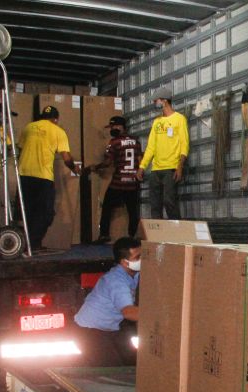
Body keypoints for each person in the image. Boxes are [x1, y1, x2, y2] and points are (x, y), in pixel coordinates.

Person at [17, 105, 79, 251]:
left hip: (24, 174)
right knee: (46, 213)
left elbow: (20, 148)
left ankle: (26, 243)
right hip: (43, 177)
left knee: (27, 211)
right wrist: (74, 168)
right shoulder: (58, 131)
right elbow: (66, 157)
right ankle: (33, 244)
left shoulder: (28, 127)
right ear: (56, 119)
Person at [74, 237, 141, 366]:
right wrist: (159, 318)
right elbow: (129, 312)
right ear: (125, 262)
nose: (142, 260)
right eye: (137, 257)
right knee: (112, 367)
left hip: (111, 328)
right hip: (90, 331)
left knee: (131, 360)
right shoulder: (116, 281)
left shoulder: (134, 274)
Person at [84, 116, 143, 243]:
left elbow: (107, 162)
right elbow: (140, 161)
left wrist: (95, 167)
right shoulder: (136, 141)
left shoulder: (114, 142)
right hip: (133, 183)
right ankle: (132, 237)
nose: (112, 129)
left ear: (122, 127)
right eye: (111, 127)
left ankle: (104, 235)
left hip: (118, 183)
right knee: (133, 211)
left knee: (106, 208)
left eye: (114, 126)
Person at [136, 87, 189, 220]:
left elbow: (184, 144)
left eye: (156, 101)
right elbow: (151, 147)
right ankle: (158, 235)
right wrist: (142, 166)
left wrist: (180, 166)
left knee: (169, 202)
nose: (155, 103)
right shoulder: (157, 122)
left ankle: (177, 233)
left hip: (170, 168)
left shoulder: (179, 119)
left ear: (164, 101)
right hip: (156, 169)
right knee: (155, 204)